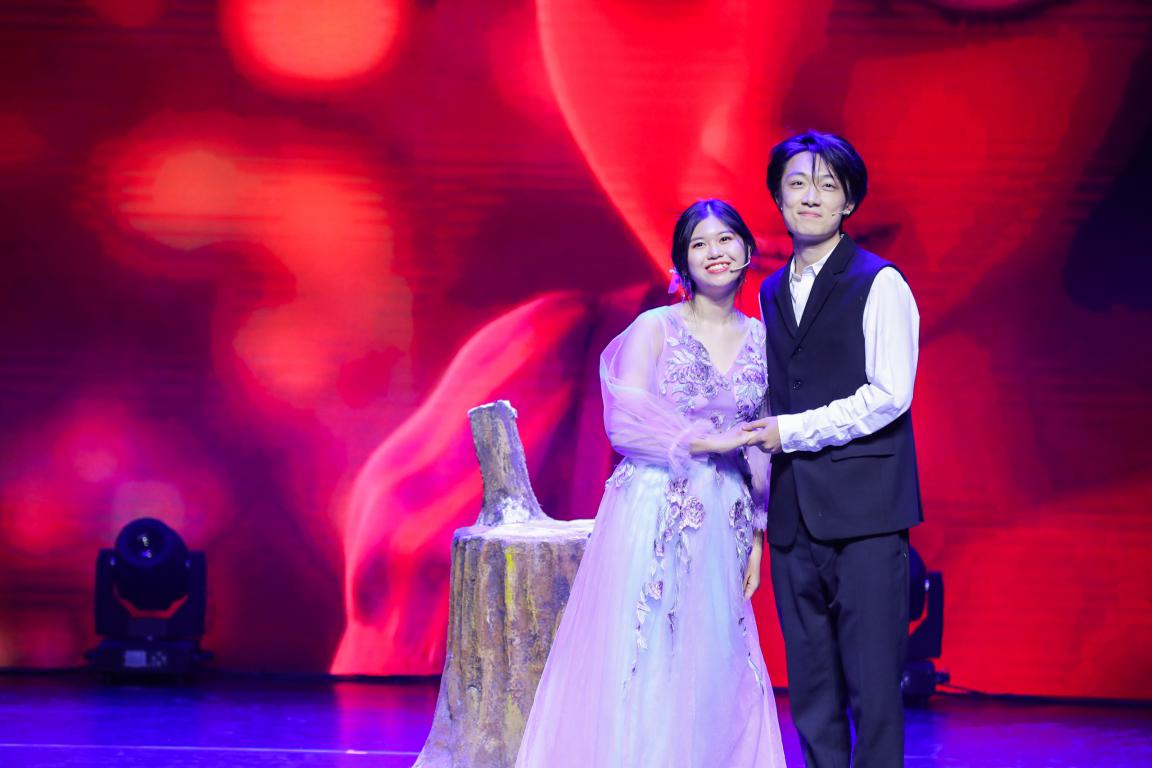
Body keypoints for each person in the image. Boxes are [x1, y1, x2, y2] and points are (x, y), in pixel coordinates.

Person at [515, 200, 786, 767]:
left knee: (714, 656)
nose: (715, 252)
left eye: (726, 239)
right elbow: (625, 422)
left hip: (727, 515)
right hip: (656, 504)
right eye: (699, 244)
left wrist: (759, 535)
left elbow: (763, 441)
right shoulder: (656, 327)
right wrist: (709, 442)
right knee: (645, 648)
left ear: (747, 249)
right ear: (682, 263)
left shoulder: (764, 340)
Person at [742, 131, 923, 767]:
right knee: (813, 695)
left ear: (849, 201)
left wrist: (792, 431)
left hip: (867, 516)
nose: (811, 196)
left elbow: (890, 394)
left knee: (874, 690)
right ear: (778, 198)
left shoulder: (880, 282)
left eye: (827, 185)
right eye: (797, 183)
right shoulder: (769, 291)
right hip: (795, 517)